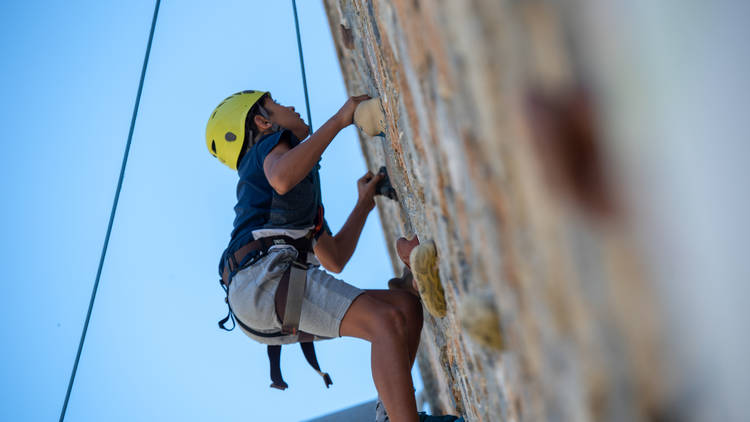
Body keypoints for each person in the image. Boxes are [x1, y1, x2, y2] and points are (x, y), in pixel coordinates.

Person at [206, 90, 462, 422]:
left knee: (404, 308)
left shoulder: (293, 202)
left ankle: (393, 416)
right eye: (278, 104)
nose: (291, 106)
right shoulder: (267, 148)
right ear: (262, 121)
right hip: (264, 281)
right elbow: (282, 177)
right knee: (384, 322)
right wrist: (343, 118)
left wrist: (363, 205)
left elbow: (334, 257)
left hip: (263, 295)